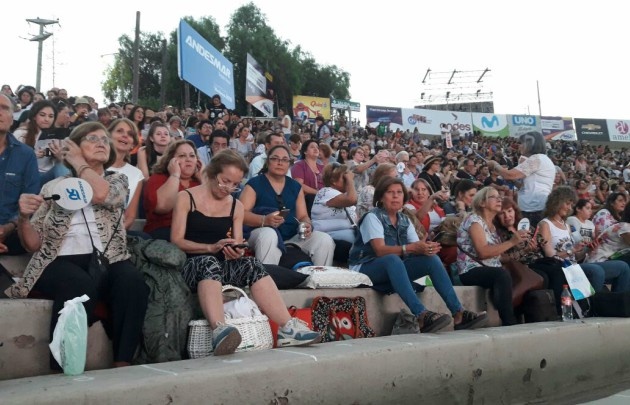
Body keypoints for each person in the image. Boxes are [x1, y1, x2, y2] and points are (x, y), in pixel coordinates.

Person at [9, 121, 148, 368]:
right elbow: (32, 244)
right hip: (59, 260)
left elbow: (103, 195)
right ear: (74, 145)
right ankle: (64, 366)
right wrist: (23, 218)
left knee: (133, 282)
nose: (101, 143)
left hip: (108, 258)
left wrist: (79, 162)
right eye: (92, 139)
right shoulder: (52, 186)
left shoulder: (117, 180)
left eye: (105, 140)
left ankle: (123, 363)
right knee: (78, 285)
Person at [170, 149, 320, 355]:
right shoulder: (186, 197)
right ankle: (219, 329)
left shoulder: (236, 206)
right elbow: (176, 240)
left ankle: (287, 327)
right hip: (190, 265)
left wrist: (236, 251)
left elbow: (238, 242)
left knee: (252, 265)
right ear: (212, 174)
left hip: (219, 263)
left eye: (234, 184)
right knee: (208, 262)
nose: (229, 188)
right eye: (225, 181)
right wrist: (209, 248)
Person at [349, 177, 487, 332]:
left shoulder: (404, 220)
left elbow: (415, 247)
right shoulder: (372, 217)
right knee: (392, 260)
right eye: (390, 192)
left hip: (393, 268)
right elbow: (380, 250)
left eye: (399, 192)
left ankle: (458, 313)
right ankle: (421, 315)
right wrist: (412, 248)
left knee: (431, 260)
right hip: (365, 269)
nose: (396, 196)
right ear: (381, 197)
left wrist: (426, 248)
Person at [240, 145, 335, 266]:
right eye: (275, 158)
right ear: (268, 161)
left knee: (324, 239)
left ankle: (319, 280)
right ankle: (267, 281)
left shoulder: (295, 186)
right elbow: (241, 214)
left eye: (285, 160)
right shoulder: (254, 184)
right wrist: (264, 220)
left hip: (292, 235)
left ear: (289, 164)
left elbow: (303, 216)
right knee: (269, 234)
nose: (280, 163)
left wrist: (306, 224)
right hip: (260, 232)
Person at [538, 186, 630, 296]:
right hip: (560, 267)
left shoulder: (566, 225)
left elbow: (576, 257)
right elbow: (550, 257)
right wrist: (572, 250)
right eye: (567, 204)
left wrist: (587, 249)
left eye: (571, 205)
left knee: (623, 268)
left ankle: (617, 305)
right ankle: (592, 305)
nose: (569, 208)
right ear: (556, 202)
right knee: (596, 271)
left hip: (574, 265)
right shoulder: (545, 224)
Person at [456, 187, 522, 326]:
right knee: (501, 275)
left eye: (499, 196)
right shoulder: (475, 221)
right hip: (470, 270)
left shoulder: (492, 227)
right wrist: (511, 242)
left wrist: (522, 251)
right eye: (493, 197)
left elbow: (497, 256)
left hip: (489, 268)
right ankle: (509, 322)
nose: (499, 199)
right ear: (482, 203)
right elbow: (483, 252)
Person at [486, 131, 555, 228]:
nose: (519, 146)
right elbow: (524, 185)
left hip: (534, 209)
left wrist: (494, 165)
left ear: (530, 144)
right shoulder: (543, 159)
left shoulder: (536, 159)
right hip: (534, 207)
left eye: (522, 143)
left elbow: (509, 175)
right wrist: (514, 181)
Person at [0, 94, 40, 255]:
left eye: (4, 108)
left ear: (12, 118)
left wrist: (6, 228)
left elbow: (30, 200)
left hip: (11, 232)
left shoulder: (26, 155)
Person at [144, 140, 203, 240]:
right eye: (182, 156)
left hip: (196, 231)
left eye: (192, 156)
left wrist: (203, 179)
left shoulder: (199, 182)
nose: (188, 159)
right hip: (164, 232)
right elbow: (162, 207)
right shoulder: (158, 178)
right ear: (171, 160)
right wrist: (175, 175)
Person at [106, 119, 144, 230]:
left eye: (130, 134)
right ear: (108, 136)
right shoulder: (93, 166)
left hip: (117, 234)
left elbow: (130, 216)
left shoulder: (136, 174)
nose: (125, 136)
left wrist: (115, 234)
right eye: (119, 131)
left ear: (133, 144)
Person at [311, 163, 357, 244]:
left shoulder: (343, 195)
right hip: (328, 238)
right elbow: (352, 200)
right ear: (333, 181)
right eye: (344, 177)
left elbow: (356, 219)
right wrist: (350, 180)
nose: (346, 179)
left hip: (346, 236)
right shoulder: (325, 192)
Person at [291, 139, 324, 214]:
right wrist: (317, 193)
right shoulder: (299, 165)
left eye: (317, 147)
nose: (316, 149)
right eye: (312, 147)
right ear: (305, 152)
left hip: (322, 199)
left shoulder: (322, 167)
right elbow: (298, 185)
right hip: (306, 200)